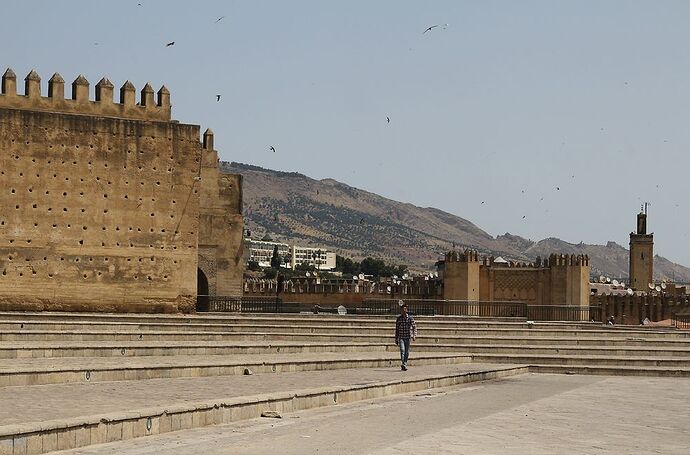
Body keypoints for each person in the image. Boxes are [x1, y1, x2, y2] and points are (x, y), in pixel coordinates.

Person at [395, 304, 417, 371]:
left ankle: (405, 363)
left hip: (408, 337)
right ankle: (403, 363)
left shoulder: (410, 318)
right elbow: (397, 329)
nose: (403, 311)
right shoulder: (399, 319)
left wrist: (414, 335)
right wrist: (396, 338)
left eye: (405, 309)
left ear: (406, 310)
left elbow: (414, 327)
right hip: (401, 337)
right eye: (402, 309)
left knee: (407, 351)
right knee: (402, 350)